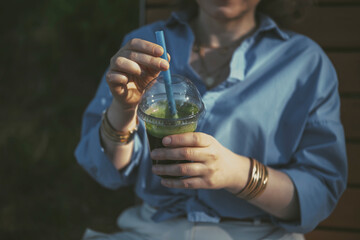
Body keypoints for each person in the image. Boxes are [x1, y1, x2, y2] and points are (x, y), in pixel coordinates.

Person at [75, 0, 348, 239]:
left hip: (257, 234)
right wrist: (124, 109)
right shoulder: (144, 46)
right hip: (151, 230)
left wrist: (237, 174)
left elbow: (319, 192)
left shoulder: (304, 62)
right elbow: (108, 173)